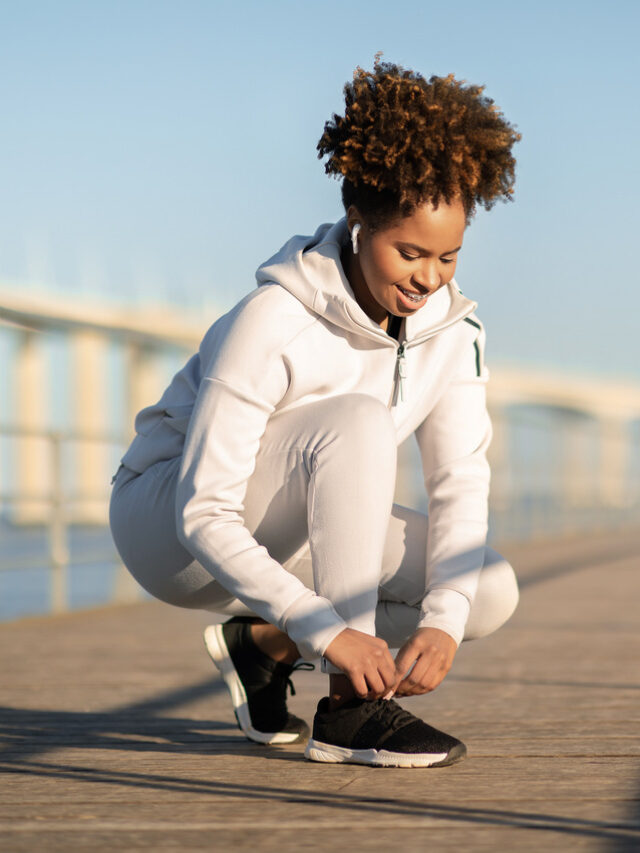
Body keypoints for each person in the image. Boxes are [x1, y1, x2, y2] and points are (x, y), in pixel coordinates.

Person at [109, 58, 521, 768]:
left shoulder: (455, 335)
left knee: (484, 590)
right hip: (170, 524)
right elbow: (204, 512)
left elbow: (460, 481)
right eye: (411, 253)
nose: (430, 279)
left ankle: (263, 645)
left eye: (449, 256)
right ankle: (348, 708)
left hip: (295, 521)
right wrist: (330, 631)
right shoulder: (273, 319)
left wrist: (444, 624)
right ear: (359, 221)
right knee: (357, 419)